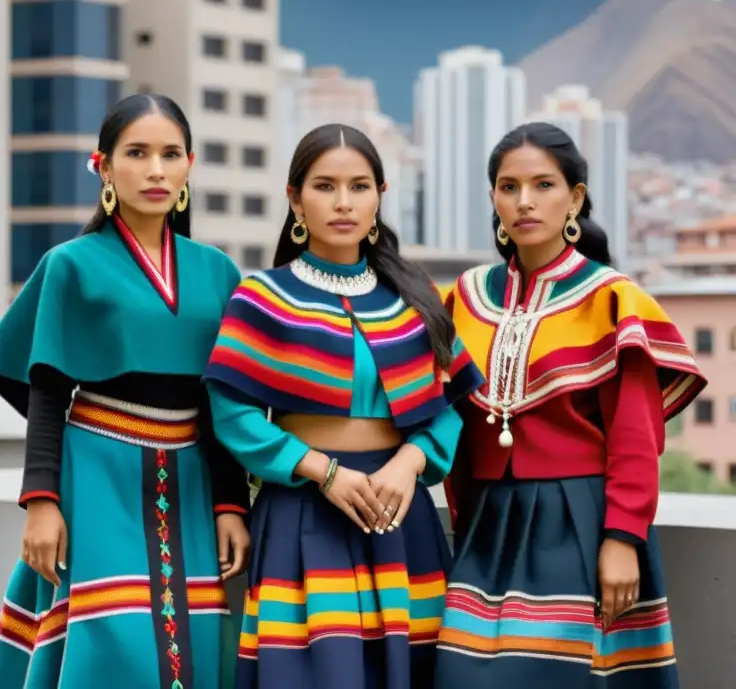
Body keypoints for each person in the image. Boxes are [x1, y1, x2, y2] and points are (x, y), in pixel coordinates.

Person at [0, 93, 252, 689]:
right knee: (112, 643)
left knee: (196, 640)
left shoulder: (218, 271)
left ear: (189, 165)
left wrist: (231, 505)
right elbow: (46, 390)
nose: (155, 169)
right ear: (103, 165)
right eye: (137, 153)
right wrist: (41, 502)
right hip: (98, 470)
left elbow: (223, 405)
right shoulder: (70, 264)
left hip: (193, 478)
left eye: (170, 154)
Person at [202, 123, 486, 688]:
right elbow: (230, 411)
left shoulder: (414, 299)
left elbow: (450, 406)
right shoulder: (261, 298)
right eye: (325, 186)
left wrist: (409, 465)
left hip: (400, 519)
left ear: (380, 194)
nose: (343, 202)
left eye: (358, 187)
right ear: (294, 198)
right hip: (302, 512)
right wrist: (322, 472)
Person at [433, 122, 707, 689]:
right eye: (508, 187)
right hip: (485, 525)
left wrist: (622, 540)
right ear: (493, 199)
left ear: (575, 197)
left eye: (543, 185)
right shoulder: (464, 297)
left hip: (578, 522)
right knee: (460, 675)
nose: (525, 201)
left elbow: (635, 436)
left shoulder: (611, 300)